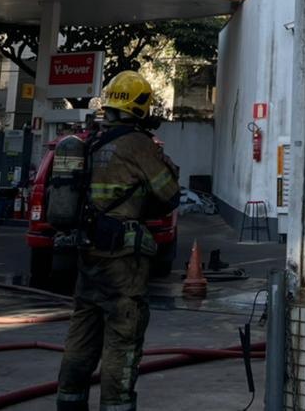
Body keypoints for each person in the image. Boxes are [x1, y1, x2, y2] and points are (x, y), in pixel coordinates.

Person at [57, 71, 180, 411]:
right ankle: (117, 406)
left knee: (81, 336)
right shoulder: (139, 144)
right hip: (123, 262)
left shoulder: (90, 142)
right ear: (140, 106)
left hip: (88, 256)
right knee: (122, 340)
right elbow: (169, 195)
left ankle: (68, 402)